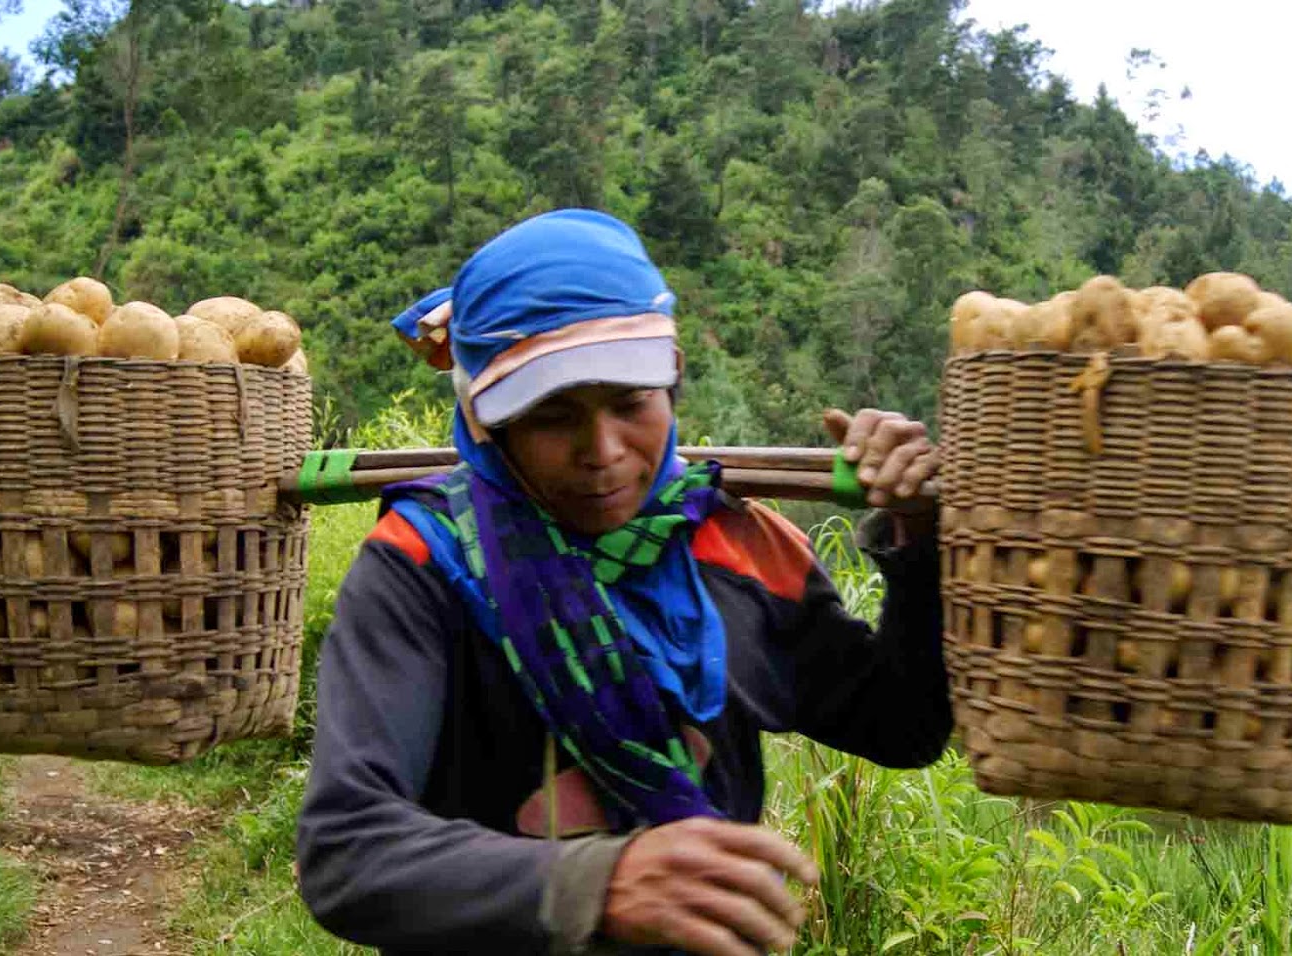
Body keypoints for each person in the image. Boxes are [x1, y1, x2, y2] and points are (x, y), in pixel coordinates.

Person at [296, 209, 953, 955]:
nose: (602, 452)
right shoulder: (423, 567)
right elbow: (348, 850)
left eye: (630, 403)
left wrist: (917, 539)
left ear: (669, 387)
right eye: (552, 416)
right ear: (487, 424)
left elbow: (905, 726)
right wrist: (598, 881)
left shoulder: (738, 547)